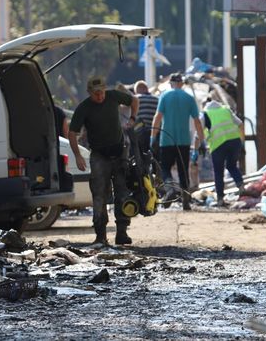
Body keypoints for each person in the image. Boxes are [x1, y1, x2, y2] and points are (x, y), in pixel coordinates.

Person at [69, 76, 139, 245]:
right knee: (99, 194)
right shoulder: (83, 108)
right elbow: (72, 133)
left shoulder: (113, 96)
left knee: (122, 193)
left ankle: (121, 232)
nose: (100, 97)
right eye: (95, 94)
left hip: (119, 152)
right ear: (89, 93)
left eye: (101, 93)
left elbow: (134, 100)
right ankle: (100, 235)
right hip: (99, 155)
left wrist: (132, 119)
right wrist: (78, 155)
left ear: (105, 89)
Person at [149, 72, 205, 211]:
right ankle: (185, 200)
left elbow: (158, 117)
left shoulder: (164, 96)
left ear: (171, 83)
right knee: (183, 170)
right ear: (181, 84)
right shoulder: (189, 98)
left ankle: (170, 188)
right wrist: (201, 140)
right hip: (183, 140)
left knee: (165, 169)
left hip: (167, 139)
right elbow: (197, 121)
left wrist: (153, 137)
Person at [199, 98, 245, 207]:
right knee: (232, 166)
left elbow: (199, 133)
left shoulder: (205, 114)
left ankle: (220, 200)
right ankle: (242, 187)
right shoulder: (225, 109)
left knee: (218, 172)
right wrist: (242, 143)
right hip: (235, 142)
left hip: (218, 145)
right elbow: (240, 124)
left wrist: (197, 148)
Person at [133, 80, 159, 153]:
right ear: (147, 89)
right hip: (154, 133)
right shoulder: (157, 99)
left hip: (139, 133)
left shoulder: (135, 99)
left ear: (137, 91)